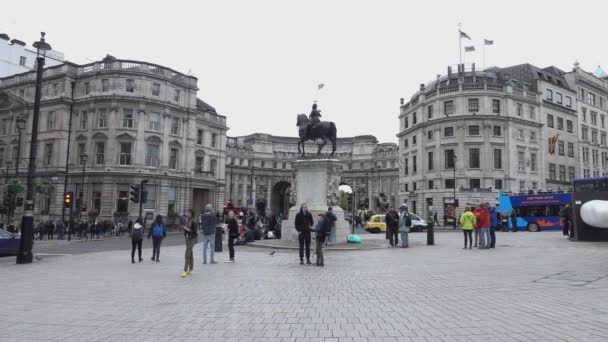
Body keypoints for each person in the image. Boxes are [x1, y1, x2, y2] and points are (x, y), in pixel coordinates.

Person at [182, 209, 198, 277]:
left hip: (191, 239)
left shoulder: (193, 222)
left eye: (189, 213)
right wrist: (185, 229)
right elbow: (186, 230)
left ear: (192, 214)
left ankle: (185, 271)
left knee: (187, 255)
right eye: (187, 213)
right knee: (190, 254)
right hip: (187, 239)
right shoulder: (187, 221)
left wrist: (187, 229)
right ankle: (191, 269)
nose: (187, 214)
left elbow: (194, 232)